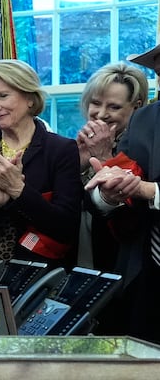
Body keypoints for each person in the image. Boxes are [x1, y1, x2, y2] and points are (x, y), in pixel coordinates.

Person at [0, 59, 81, 282]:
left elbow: (67, 227)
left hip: (40, 281)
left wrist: (18, 191)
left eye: (3, 96)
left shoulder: (60, 150)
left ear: (30, 99)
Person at [82, 43, 160, 343]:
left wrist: (146, 190)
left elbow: (141, 187)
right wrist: (109, 194)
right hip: (145, 273)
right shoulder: (147, 120)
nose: (102, 114)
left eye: (114, 106)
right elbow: (114, 192)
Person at [75, 62, 148, 270]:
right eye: (96, 103)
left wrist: (105, 157)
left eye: (114, 107)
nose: (101, 113)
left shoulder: (143, 149)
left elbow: (131, 223)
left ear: (137, 107)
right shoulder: (78, 143)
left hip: (119, 263)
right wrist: (77, 166)